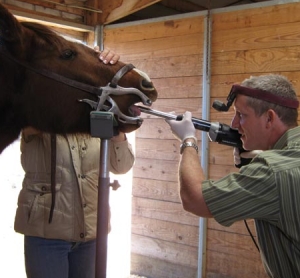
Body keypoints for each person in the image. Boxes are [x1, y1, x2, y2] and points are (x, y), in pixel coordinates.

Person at [14, 48, 135, 278]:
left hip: (91, 235)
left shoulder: (97, 114)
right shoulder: (35, 111)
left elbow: (122, 166)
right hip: (46, 237)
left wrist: (117, 122)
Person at [166, 74, 300, 278]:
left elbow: (195, 199)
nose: (235, 123)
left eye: (241, 115)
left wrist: (188, 139)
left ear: (270, 118)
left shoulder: (271, 172)